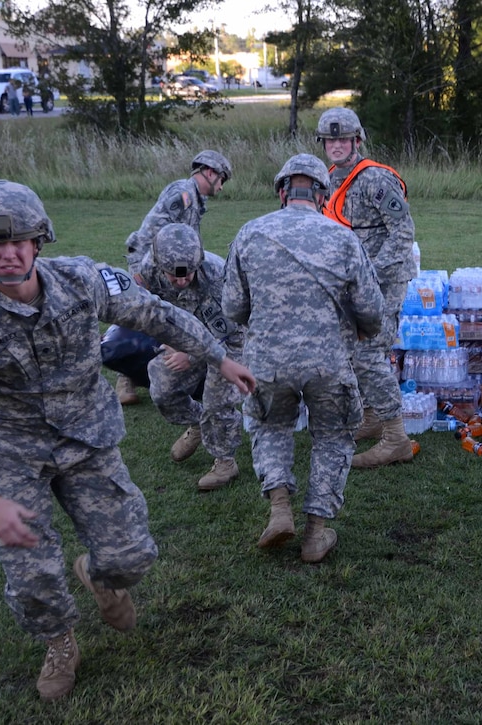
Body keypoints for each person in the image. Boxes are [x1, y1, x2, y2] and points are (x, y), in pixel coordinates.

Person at [0, 180, 255, 700]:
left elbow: (157, 314)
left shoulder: (83, 280)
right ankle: (59, 642)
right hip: (10, 453)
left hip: (87, 439)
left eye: (20, 241)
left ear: (39, 242)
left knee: (132, 556)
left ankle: (100, 579)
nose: (8, 253)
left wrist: (219, 355)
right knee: (32, 573)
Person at [222, 154, 384, 563]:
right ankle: (315, 532)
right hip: (327, 361)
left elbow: (233, 307)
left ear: (281, 191)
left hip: (267, 361)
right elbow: (372, 310)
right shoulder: (343, 237)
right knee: (332, 435)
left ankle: (279, 508)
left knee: (270, 425)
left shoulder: (248, 234)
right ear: (321, 194)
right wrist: (361, 327)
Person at [316, 108, 415, 468]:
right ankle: (372, 418)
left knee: (369, 355)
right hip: (350, 284)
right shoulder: (328, 180)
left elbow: (403, 234)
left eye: (343, 139)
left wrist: (370, 275)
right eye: (331, 140)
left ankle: (396, 438)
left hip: (382, 283)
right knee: (352, 352)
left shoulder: (375, 180)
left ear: (357, 141)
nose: (337, 145)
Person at [112, 150, 233, 406]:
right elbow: (156, 235)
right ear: (210, 172)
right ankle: (128, 376)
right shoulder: (183, 195)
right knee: (144, 318)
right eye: (222, 179)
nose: (221, 187)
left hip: (165, 266)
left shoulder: (194, 200)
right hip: (150, 264)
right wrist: (143, 274)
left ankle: (171, 366)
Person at [139, 223, 245, 491]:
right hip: (183, 338)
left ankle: (225, 461)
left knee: (217, 399)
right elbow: (149, 312)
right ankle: (198, 423)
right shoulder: (149, 270)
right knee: (162, 389)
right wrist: (171, 343)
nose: (181, 281)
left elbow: (226, 332)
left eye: (187, 275)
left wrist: (192, 356)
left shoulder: (216, 276)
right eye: (173, 277)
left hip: (228, 341)